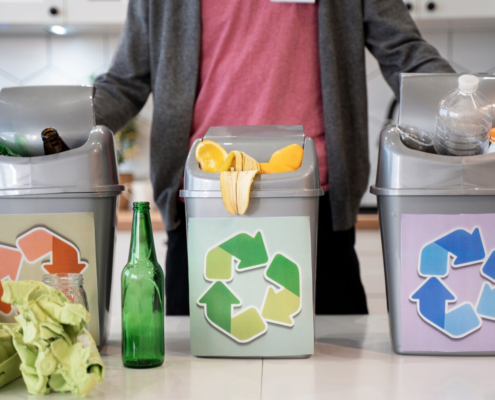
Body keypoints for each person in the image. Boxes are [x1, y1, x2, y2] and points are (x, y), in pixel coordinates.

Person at [94, 0, 454, 316]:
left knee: (338, 377)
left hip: (317, 206)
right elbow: (126, 81)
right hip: (201, 205)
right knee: (196, 377)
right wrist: (64, 127)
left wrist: (469, 107)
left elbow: (403, 52)